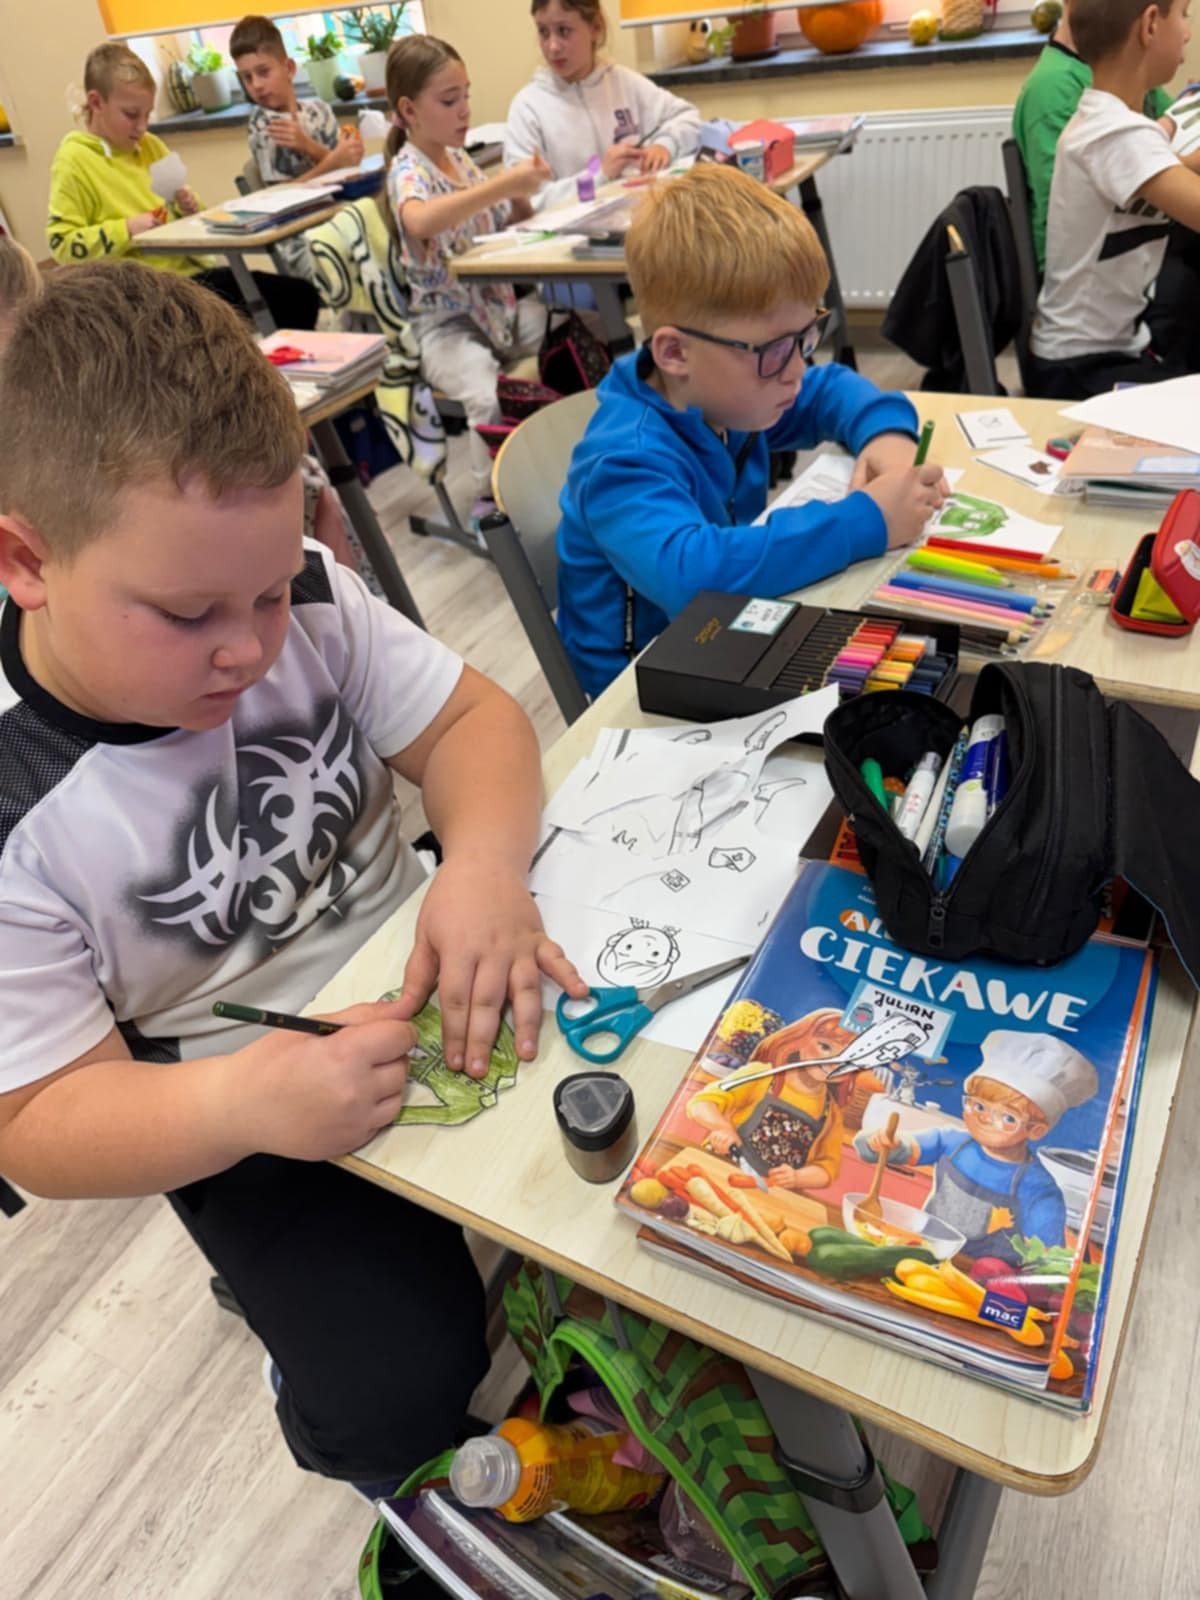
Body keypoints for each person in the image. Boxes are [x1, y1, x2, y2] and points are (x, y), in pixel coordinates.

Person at [0, 261, 587, 1510]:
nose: (250, 645)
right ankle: (319, 1399)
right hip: (233, 1103)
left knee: (624, 1197)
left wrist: (481, 865)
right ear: (24, 562)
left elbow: (474, 723)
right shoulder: (17, 804)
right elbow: (38, 1115)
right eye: (188, 613)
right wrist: (241, 1103)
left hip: (427, 973)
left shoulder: (311, 593)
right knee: (395, 1394)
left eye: (268, 592)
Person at [555, 162, 949, 699]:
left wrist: (888, 441)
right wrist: (868, 520)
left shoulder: (724, 392)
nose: (797, 369)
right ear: (675, 353)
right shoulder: (623, 459)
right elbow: (694, 577)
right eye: (776, 349)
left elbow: (831, 390)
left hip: (717, 639)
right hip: (639, 692)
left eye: (807, 336)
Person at [383, 35, 552, 519]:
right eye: (449, 100)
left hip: (498, 312)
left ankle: (559, 456)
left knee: (569, 326)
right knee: (484, 392)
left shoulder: (458, 159)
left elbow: (502, 222)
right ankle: (490, 503)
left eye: (466, 96)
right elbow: (420, 221)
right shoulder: (408, 171)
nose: (464, 110)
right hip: (446, 326)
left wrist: (519, 196)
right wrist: (502, 185)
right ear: (410, 110)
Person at [47, 41, 321, 328]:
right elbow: (62, 245)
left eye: (147, 115)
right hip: (139, 296)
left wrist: (188, 206)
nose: (142, 126)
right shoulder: (74, 160)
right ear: (96, 103)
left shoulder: (150, 146)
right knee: (250, 313)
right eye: (131, 115)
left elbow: (186, 218)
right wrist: (126, 229)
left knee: (299, 297)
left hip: (189, 276)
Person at [1029, 0, 1200, 397]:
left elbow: (1156, 161)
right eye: (1184, 16)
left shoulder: (1104, 120)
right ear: (1150, 25)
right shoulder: (1115, 133)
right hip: (1082, 369)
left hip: (1100, 350)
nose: (1188, 32)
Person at [854, 1031, 1098, 1257]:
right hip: (922, 1252)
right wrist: (880, 1143)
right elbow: (897, 1149)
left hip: (980, 1276)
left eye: (1008, 1118)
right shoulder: (951, 1141)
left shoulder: (1038, 1188)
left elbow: (1046, 1256)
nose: (984, 1119)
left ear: (1036, 1130)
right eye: (979, 1106)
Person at [1012, 0, 1173, 272]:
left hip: (1131, 246)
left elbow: (1175, 129)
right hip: (1092, 266)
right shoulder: (1052, 88)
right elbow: (1071, 219)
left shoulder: (1125, 70)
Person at [504, 0, 702, 212]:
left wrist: (665, 146)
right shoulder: (528, 108)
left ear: (596, 28)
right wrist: (599, 176)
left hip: (640, 217)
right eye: (543, 32)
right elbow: (525, 202)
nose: (553, 46)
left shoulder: (623, 82)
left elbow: (688, 117)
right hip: (573, 230)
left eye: (564, 31)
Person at [231, 14, 364, 279]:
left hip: (340, 217)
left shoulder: (320, 111)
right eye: (246, 78)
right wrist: (332, 158)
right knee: (364, 260)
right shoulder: (263, 124)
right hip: (301, 239)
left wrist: (313, 149)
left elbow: (347, 169)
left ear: (289, 68)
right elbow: (281, 198)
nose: (256, 85)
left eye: (263, 72)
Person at [688, 1011, 860, 1193]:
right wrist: (723, 1128)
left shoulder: (831, 1113)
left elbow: (827, 1168)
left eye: (847, 1059)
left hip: (771, 1193)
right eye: (825, 1047)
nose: (833, 1062)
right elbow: (702, 1102)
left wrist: (797, 1177)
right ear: (799, 1040)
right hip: (718, 1169)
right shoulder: (762, 1075)